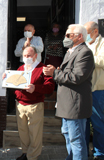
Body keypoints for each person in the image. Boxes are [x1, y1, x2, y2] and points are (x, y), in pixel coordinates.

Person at [43, 24, 95, 160]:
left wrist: (54, 73)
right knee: (67, 134)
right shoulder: (70, 51)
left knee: (76, 140)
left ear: (80, 36)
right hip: (66, 103)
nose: (65, 38)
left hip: (75, 104)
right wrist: (57, 70)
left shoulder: (85, 53)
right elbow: (67, 73)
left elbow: (75, 77)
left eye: (68, 35)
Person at [3, 46, 55, 160]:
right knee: (23, 132)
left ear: (35, 56)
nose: (26, 58)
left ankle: (33, 156)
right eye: (25, 56)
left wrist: (35, 88)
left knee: (35, 133)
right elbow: (15, 84)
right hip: (20, 105)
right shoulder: (21, 68)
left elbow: (50, 87)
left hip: (35, 105)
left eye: (29, 56)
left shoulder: (43, 68)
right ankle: (25, 153)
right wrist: (7, 80)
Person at [84, 21, 104, 160]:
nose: (85, 36)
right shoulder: (84, 44)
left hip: (97, 89)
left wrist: (86, 59)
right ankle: (83, 152)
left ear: (95, 31)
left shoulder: (102, 44)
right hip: (82, 90)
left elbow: (102, 61)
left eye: (87, 32)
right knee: (83, 124)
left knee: (98, 124)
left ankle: (99, 153)